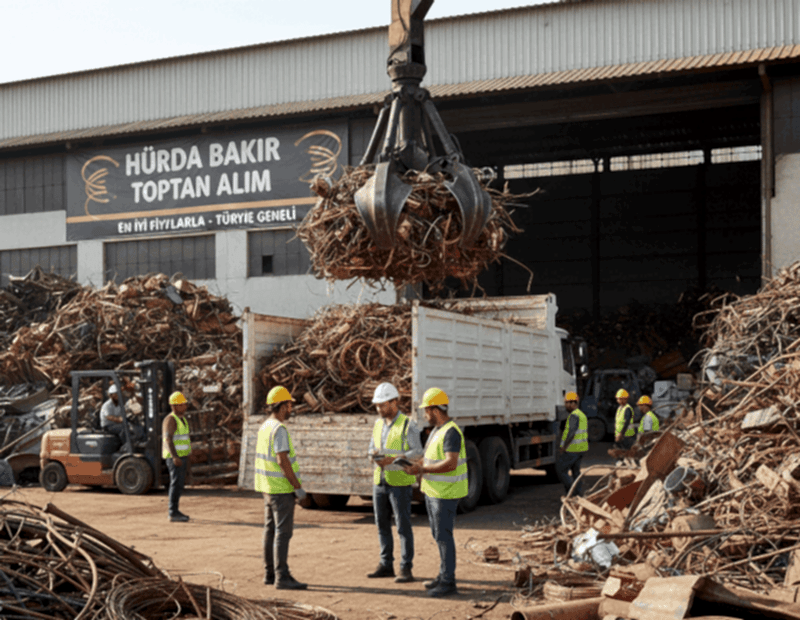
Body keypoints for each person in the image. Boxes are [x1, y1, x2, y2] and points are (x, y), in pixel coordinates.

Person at [403, 387, 467, 598]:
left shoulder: (451, 432)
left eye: (427, 410)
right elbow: (430, 458)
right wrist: (414, 464)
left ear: (436, 410)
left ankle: (448, 582)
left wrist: (421, 469)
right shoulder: (438, 431)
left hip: (446, 493)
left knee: (444, 537)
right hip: (434, 491)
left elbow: (450, 463)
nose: (425, 415)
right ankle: (443, 576)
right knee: (439, 536)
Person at [367, 382, 423, 583]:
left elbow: (417, 453)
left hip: (400, 483)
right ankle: (386, 565)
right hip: (380, 482)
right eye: (377, 405)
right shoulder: (378, 424)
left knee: (403, 526)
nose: (379, 409)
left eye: (383, 405)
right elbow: (371, 448)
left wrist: (393, 459)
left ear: (394, 402)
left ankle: (406, 567)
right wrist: (373, 456)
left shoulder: (409, 425)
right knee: (381, 524)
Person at [255, 385, 307, 590]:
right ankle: (282, 576)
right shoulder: (279, 429)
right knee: (283, 533)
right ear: (282, 406)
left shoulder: (264, 426)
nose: (291, 409)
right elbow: (282, 460)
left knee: (270, 531)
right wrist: (297, 487)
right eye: (289, 405)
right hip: (280, 488)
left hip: (266, 487)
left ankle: (269, 573)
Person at [163, 391, 192, 523]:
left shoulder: (182, 419)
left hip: (182, 456)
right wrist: (175, 457)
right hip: (175, 458)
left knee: (179, 484)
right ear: (175, 406)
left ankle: (175, 510)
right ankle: (172, 512)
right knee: (175, 484)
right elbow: (168, 439)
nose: (185, 406)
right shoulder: (171, 420)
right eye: (182, 404)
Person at [556, 391, 588, 496]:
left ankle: (572, 492)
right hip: (581, 449)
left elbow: (572, 433)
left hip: (572, 449)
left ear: (572, 403)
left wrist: (564, 447)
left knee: (561, 470)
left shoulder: (574, 416)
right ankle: (578, 494)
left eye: (566, 403)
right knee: (576, 473)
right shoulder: (582, 415)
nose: (565, 406)